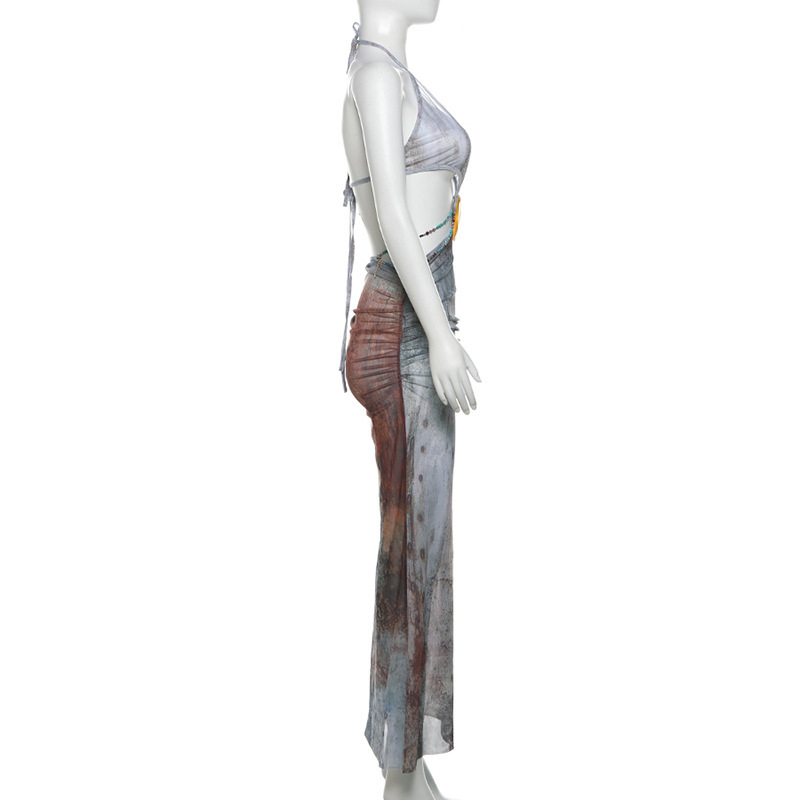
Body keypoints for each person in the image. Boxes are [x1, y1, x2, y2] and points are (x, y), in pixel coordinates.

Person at [339, 2, 481, 798]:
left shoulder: (387, 72)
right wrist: (441, 338)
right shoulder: (373, 76)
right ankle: (399, 778)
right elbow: (392, 217)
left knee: (424, 546)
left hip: (420, 317)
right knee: (412, 550)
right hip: (406, 330)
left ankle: (410, 763)